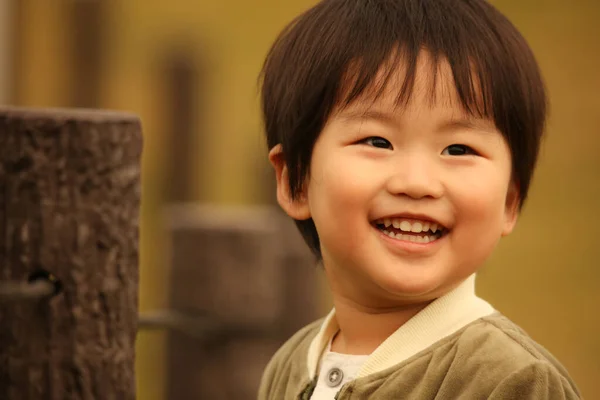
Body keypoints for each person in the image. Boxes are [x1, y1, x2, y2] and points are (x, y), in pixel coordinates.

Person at [257, 0, 581, 398]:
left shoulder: (511, 381)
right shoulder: (289, 365)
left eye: (459, 149)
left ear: (510, 201)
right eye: (377, 141)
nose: (417, 183)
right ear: (295, 182)